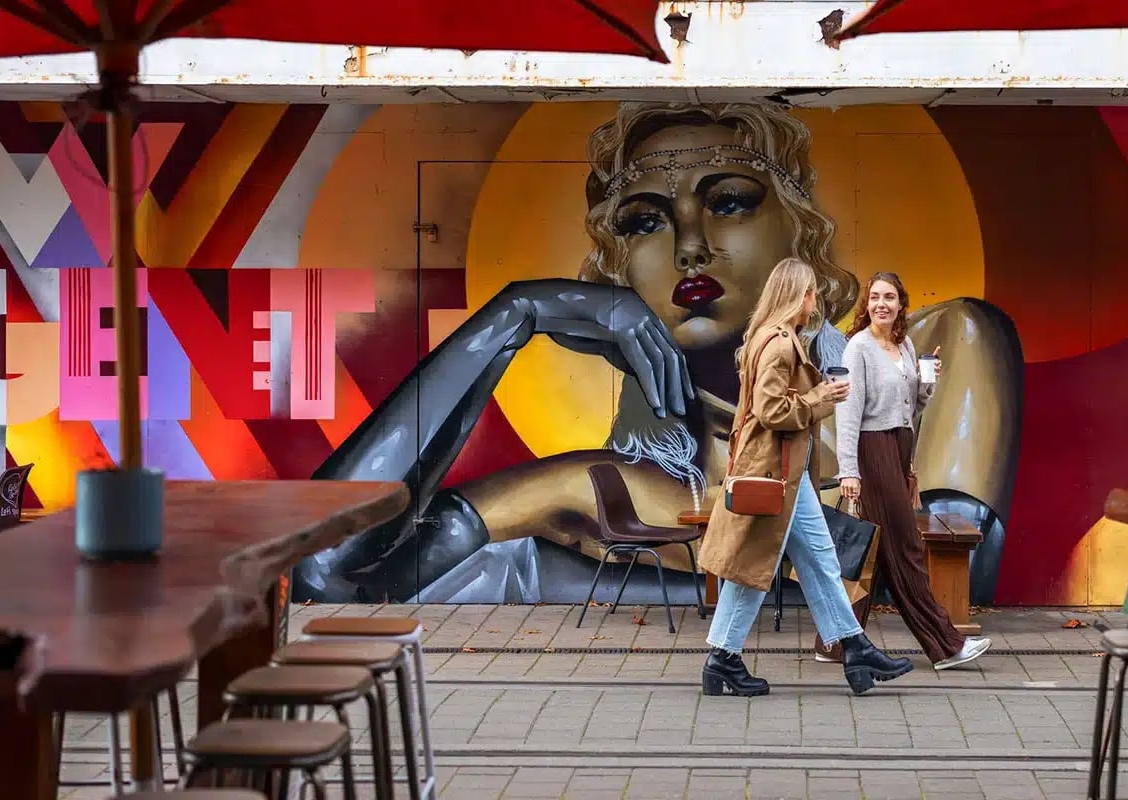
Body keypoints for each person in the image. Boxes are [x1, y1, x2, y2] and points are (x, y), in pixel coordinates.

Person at [292, 102, 1024, 610]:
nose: (690, 246)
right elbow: (325, 578)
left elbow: (948, 584)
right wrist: (514, 314)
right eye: (644, 221)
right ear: (617, 272)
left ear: (799, 234)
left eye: (731, 201)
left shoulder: (935, 343)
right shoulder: (606, 486)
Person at [699, 258, 913, 697]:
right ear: (798, 295)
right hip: (778, 476)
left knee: (817, 561)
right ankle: (724, 657)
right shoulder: (778, 343)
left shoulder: (769, 338)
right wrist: (821, 397)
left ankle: (853, 648)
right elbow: (772, 411)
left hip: (782, 475)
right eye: (811, 291)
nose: (815, 300)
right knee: (757, 567)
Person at [833, 273, 992, 670]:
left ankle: (834, 643)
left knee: (872, 552)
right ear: (866, 305)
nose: (881, 304)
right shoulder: (858, 348)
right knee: (905, 546)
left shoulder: (904, 346)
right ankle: (945, 645)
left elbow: (911, 411)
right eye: (874, 297)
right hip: (873, 449)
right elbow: (847, 415)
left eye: (889, 297)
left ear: (902, 304)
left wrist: (927, 383)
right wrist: (848, 471)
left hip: (899, 447)